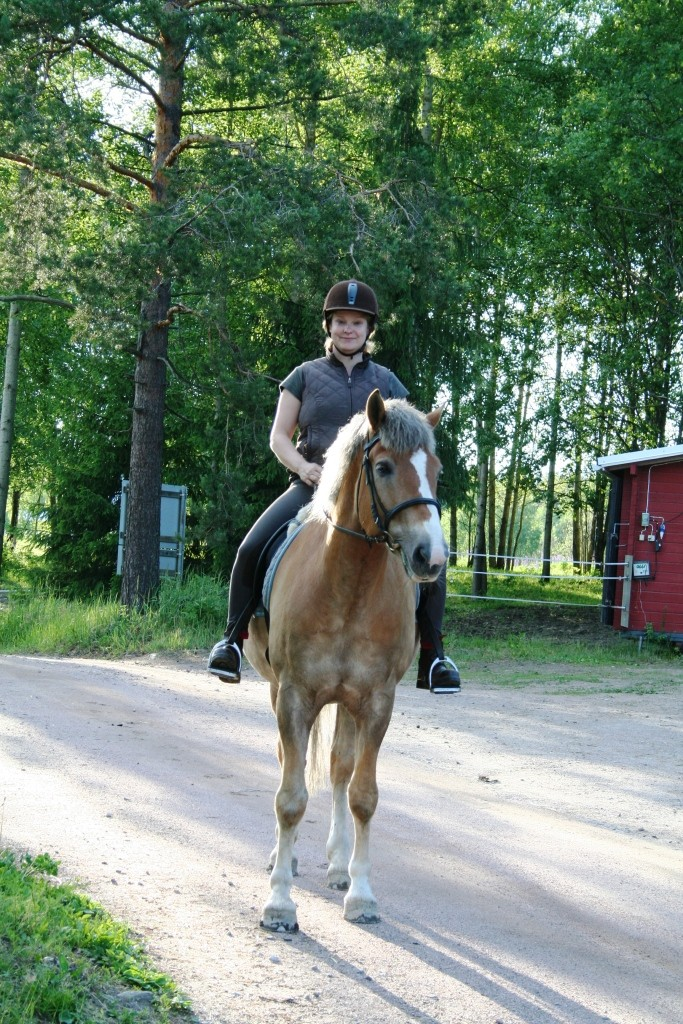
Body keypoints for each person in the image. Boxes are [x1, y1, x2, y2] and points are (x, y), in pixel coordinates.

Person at [207, 279, 461, 694]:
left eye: (357, 323)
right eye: (341, 321)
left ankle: (434, 656)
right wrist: (303, 466)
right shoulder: (304, 376)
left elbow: (410, 441)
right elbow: (278, 437)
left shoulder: (388, 382)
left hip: (374, 495)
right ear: (329, 326)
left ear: (369, 330)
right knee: (250, 549)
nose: (349, 329)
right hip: (312, 487)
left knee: (433, 562)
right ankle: (232, 641)